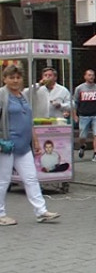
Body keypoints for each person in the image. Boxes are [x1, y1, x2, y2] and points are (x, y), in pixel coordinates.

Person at [0, 64, 60, 226]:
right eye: (11, 77)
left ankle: (41, 211)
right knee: (3, 180)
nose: (15, 80)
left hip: (24, 146)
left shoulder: (22, 96)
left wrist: (35, 140)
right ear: (4, 79)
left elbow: (28, 120)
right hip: (7, 145)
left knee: (31, 178)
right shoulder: (2, 96)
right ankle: (1, 214)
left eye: (18, 77)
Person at [73, 68, 96, 162]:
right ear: (85, 76)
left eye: (92, 75)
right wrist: (75, 115)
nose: (91, 77)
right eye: (89, 75)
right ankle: (82, 145)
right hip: (83, 115)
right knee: (82, 136)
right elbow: (75, 102)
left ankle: (95, 153)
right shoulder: (79, 89)